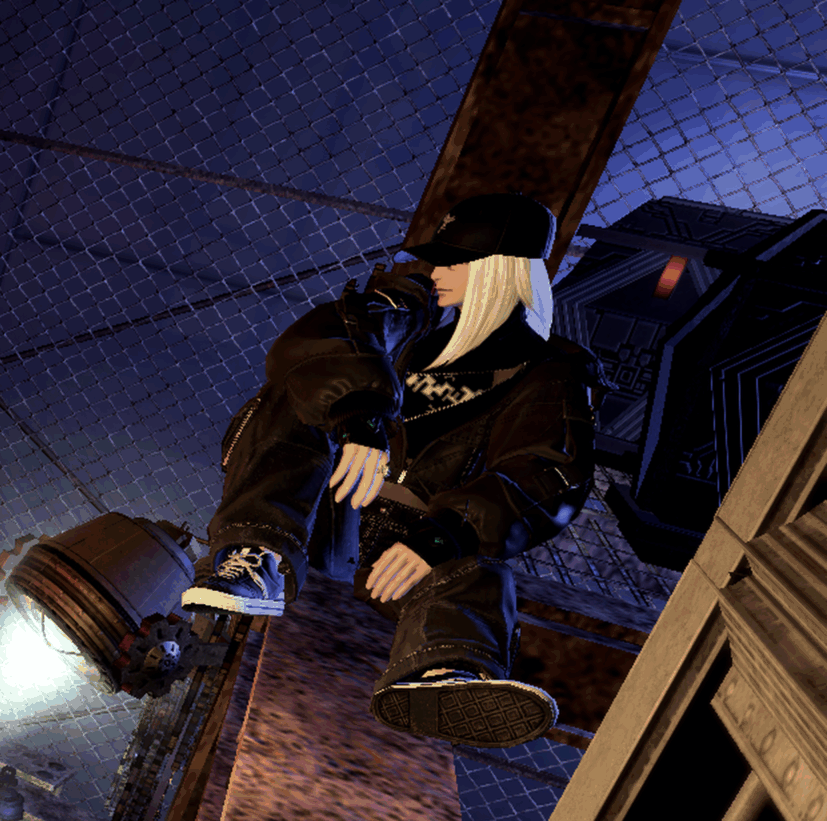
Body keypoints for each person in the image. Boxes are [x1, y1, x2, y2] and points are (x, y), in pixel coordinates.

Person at [179, 192, 603, 748]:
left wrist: (441, 536)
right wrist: (360, 418)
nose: (437, 273)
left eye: (455, 262)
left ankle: (443, 674)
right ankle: (259, 559)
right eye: (437, 261)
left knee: (480, 568)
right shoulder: (408, 318)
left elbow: (546, 472)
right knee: (299, 386)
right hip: (325, 516)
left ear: (500, 273)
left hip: (416, 544)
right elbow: (314, 343)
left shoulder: (553, 370)